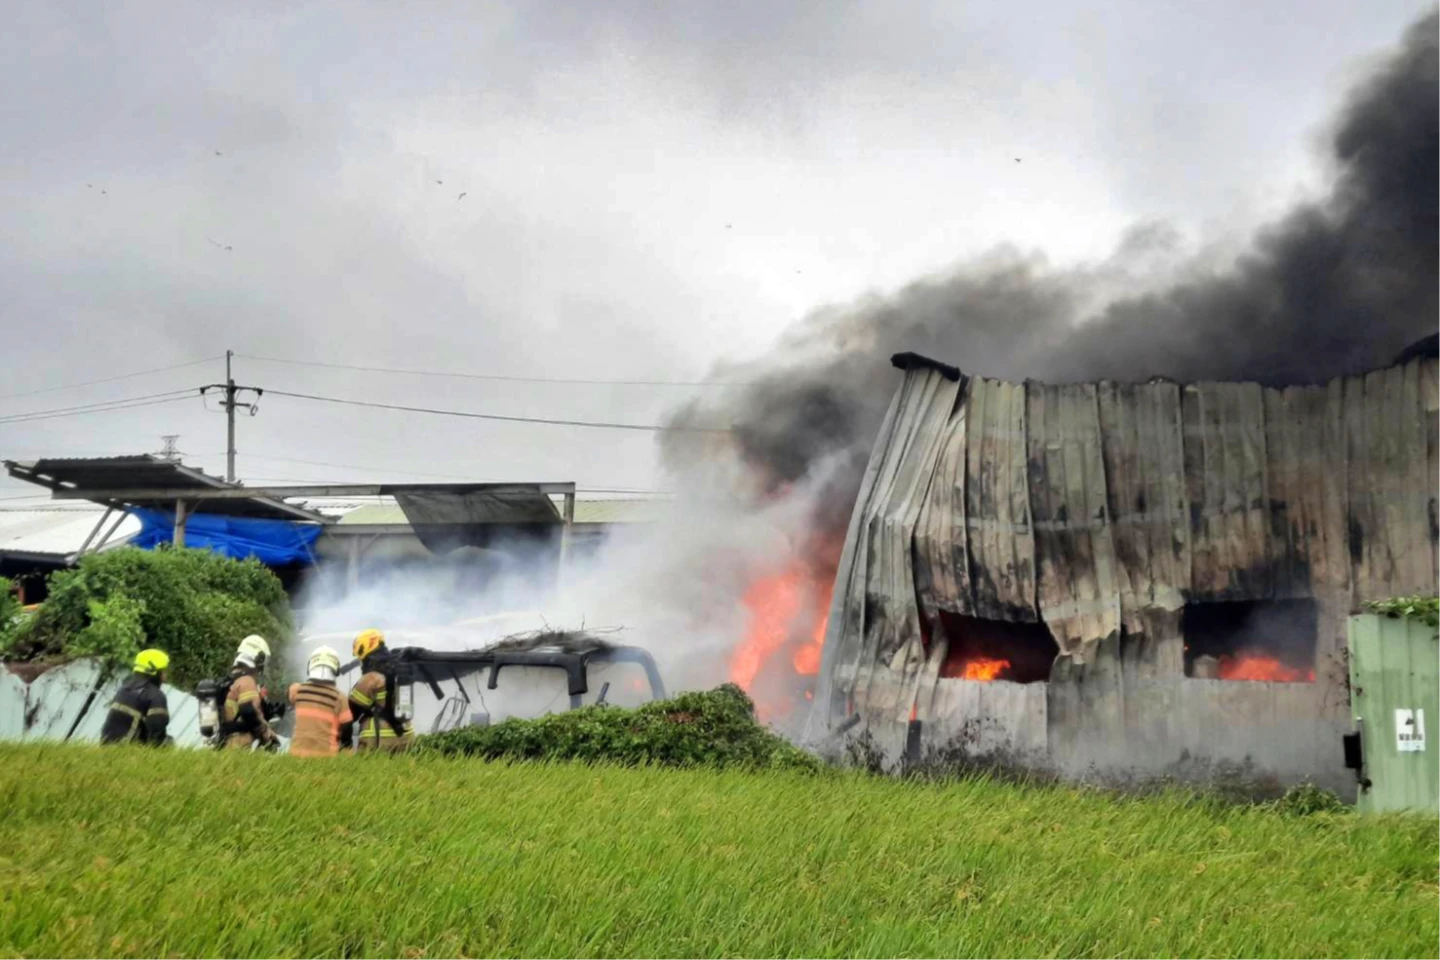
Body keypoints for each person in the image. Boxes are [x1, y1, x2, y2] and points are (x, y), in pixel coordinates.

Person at [348, 628, 414, 753]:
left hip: (379, 742)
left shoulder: (370, 678)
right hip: (406, 738)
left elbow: (350, 713)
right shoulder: (399, 671)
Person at [286, 646, 353, 758]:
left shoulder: (297, 690)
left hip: (296, 756)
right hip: (326, 758)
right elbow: (347, 729)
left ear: (310, 667)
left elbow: (290, 695)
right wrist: (347, 748)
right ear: (335, 670)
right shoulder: (340, 697)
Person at [99, 649, 172, 746]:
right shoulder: (155, 696)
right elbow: (156, 735)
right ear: (154, 671)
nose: (166, 674)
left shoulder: (124, 689)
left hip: (105, 746)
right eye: (164, 670)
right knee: (169, 742)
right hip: (128, 751)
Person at [221, 634, 280, 751]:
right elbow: (248, 710)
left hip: (226, 745)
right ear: (260, 660)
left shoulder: (232, 681)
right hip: (238, 747)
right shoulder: (247, 681)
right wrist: (266, 733)